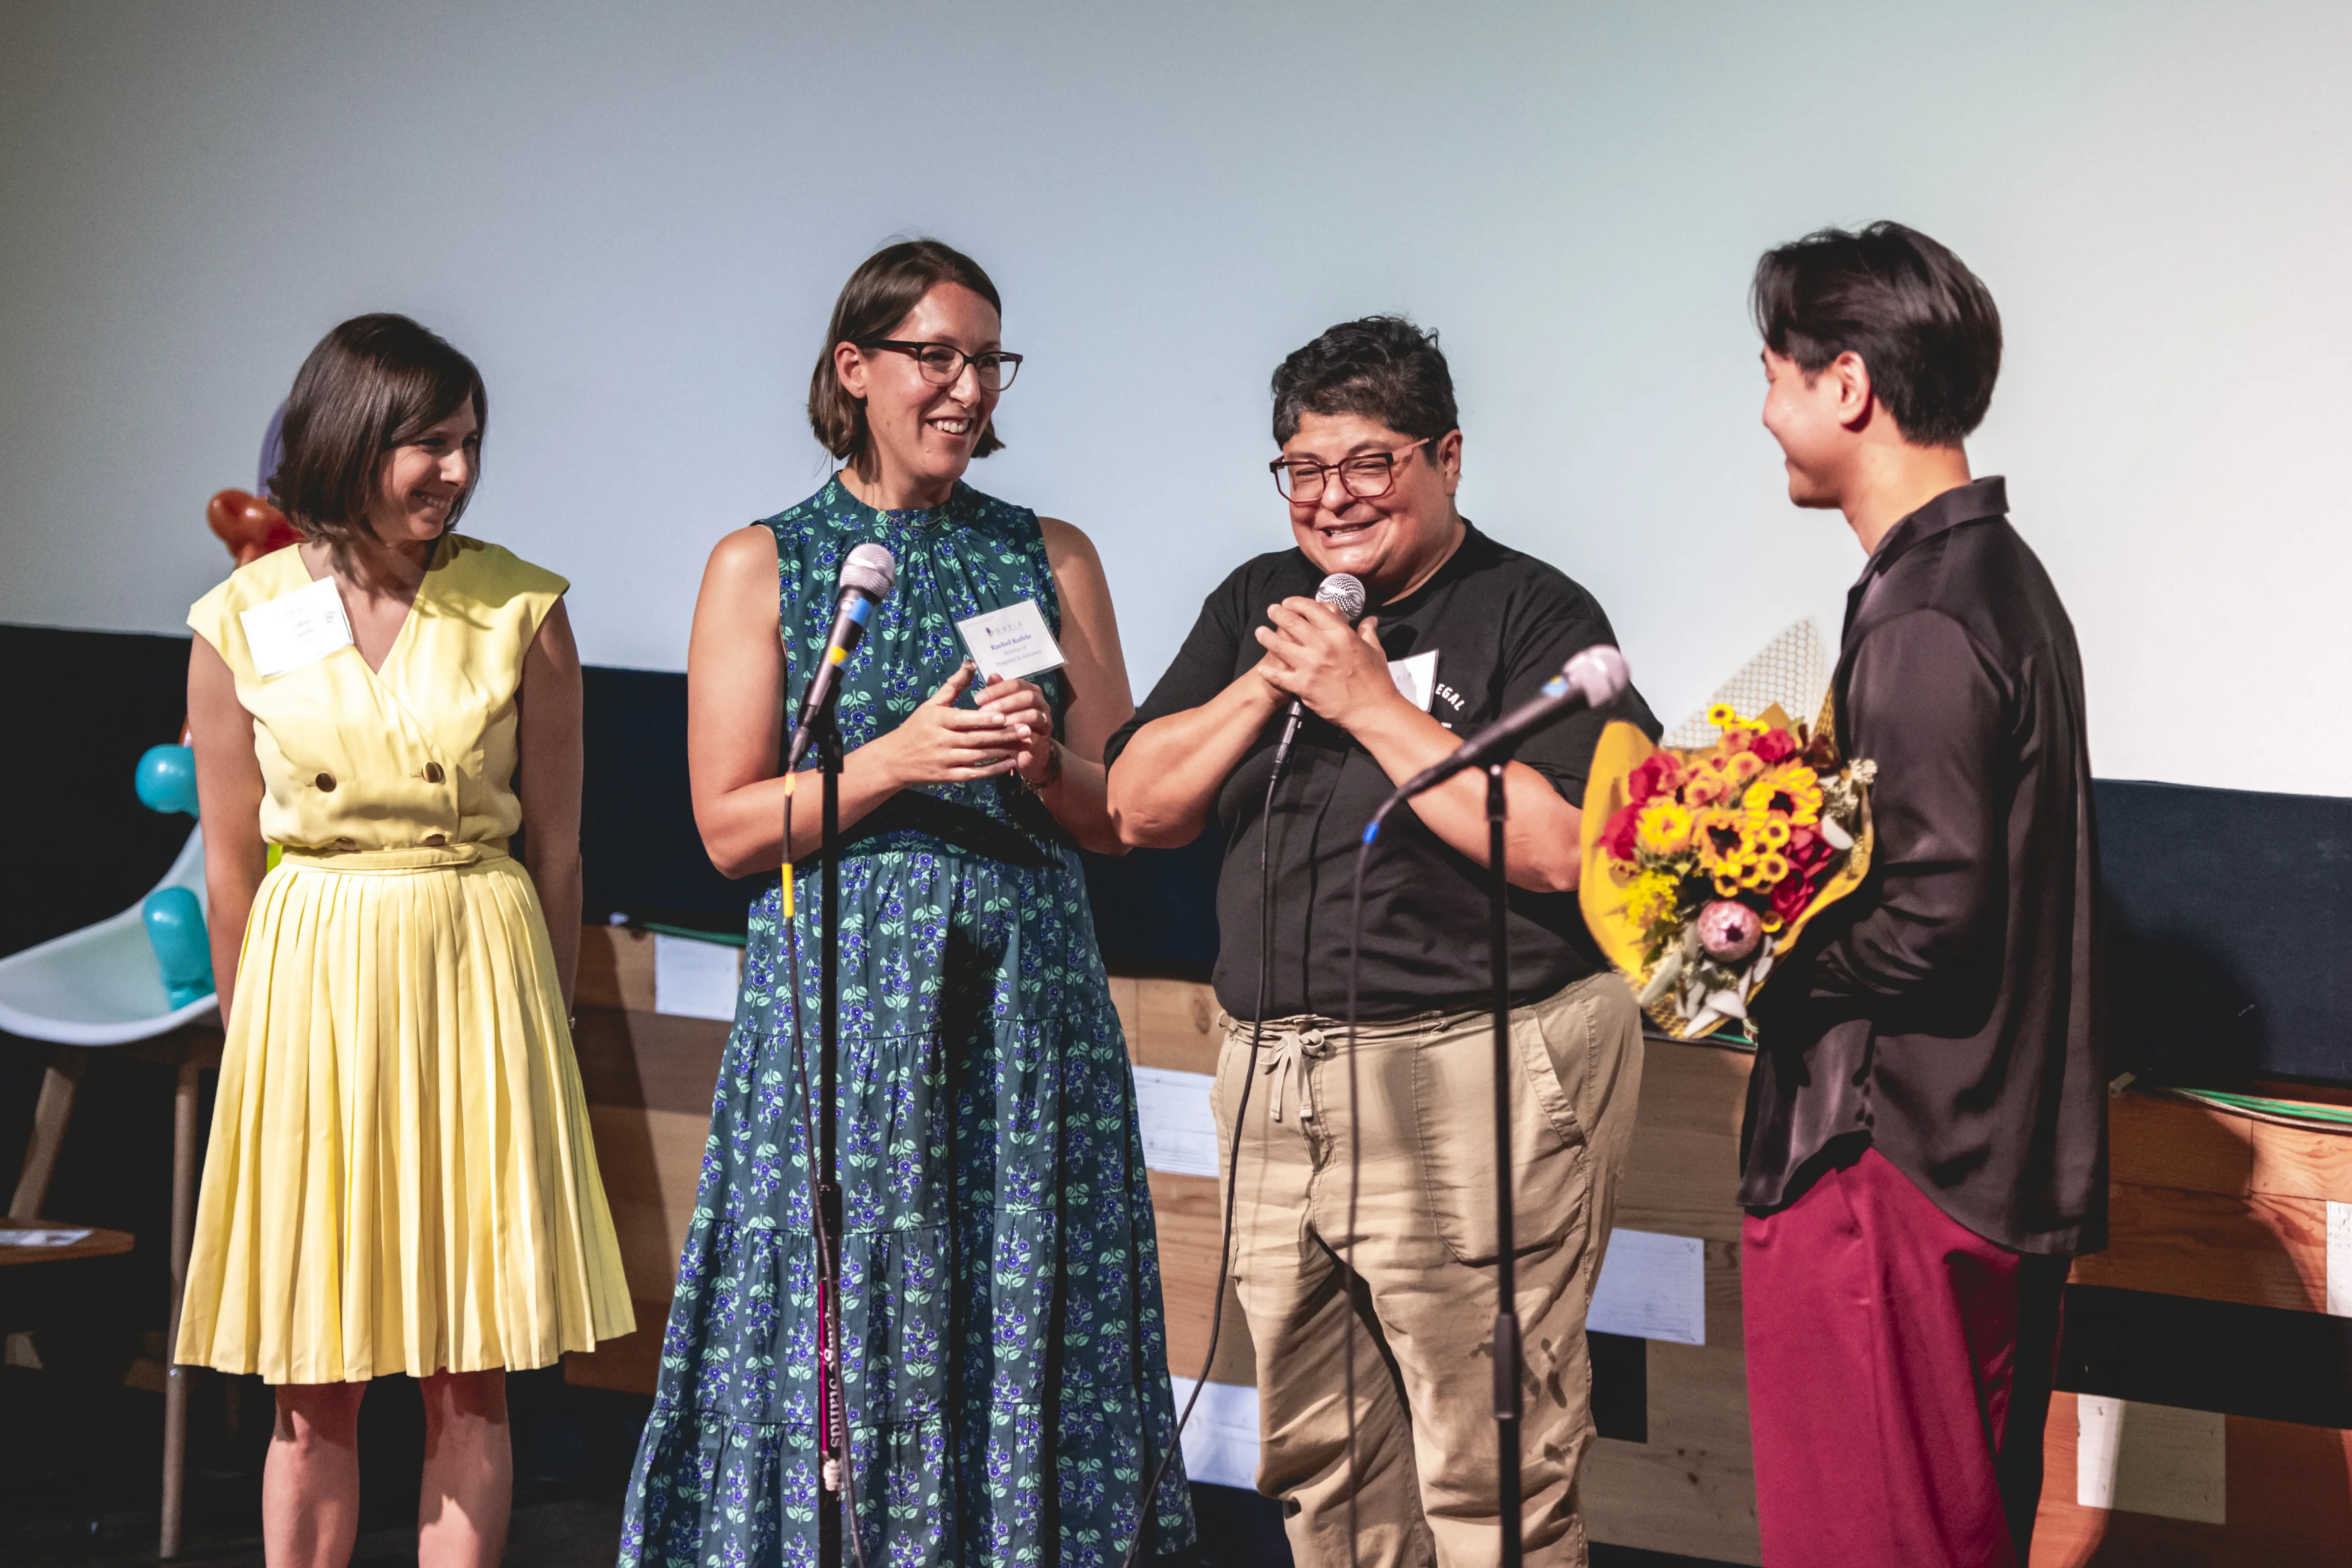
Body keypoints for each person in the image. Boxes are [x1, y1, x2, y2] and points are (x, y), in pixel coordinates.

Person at [618, 240, 1194, 1566]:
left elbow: (1116, 810)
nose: (966, 386)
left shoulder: (1048, 552)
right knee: (861, 1308)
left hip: (1024, 1011)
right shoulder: (766, 561)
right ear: (854, 368)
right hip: (853, 1018)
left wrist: (1046, 762)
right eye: (936, 356)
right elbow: (724, 826)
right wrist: (890, 763)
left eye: (986, 360)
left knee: (1022, 1299)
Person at [1106, 316, 1657, 1567]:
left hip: (1467, 1074)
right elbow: (1141, 804)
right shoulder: (1260, 600)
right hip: (1273, 1080)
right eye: (1302, 467)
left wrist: (1364, 699)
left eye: (1368, 462)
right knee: (1321, 1460)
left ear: (1446, 456)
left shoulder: (1531, 610)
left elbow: (1565, 847)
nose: (1331, 497)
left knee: (1489, 1466)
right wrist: (1275, 673)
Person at [176, 313, 634, 1568]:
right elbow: (229, 867)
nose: (455, 470)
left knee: (467, 1368)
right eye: (425, 442)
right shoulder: (240, 616)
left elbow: (557, 854)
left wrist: (543, 1017)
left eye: (468, 442)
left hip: (474, 969)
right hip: (311, 979)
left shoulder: (519, 607)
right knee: (311, 1374)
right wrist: (250, 1033)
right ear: (348, 435)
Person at [1739, 223, 2105, 1567]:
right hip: (1969, 1171)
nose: (1764, 405)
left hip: (1891, 1176)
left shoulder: (1929, 613)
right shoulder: (1988, 581)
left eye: (1772, 369)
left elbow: (1932, 920)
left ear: (1845, 386)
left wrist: (1741, 952)